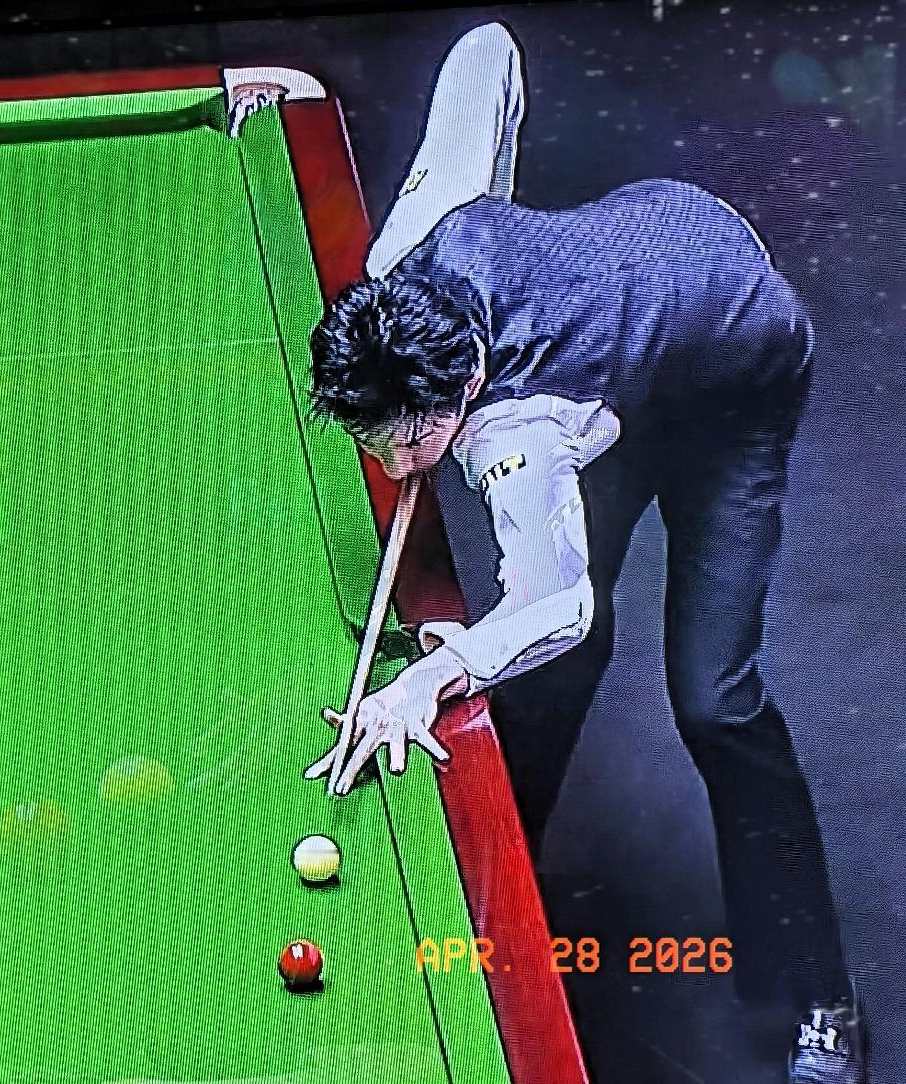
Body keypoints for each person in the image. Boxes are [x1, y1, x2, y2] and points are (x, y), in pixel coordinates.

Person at [291, 21, 866, 1084]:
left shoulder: (516, 437)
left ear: (463, 392)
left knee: (714, 699)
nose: (391, 464)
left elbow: (557, 606)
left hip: (733, 369)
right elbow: (487, 49)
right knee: (549, 681)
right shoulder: (413, 241)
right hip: (628, 329)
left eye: (406, 442)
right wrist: (493, 202)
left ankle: (820, 998)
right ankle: (498, 904)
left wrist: (427, 679)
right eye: (370, 444)